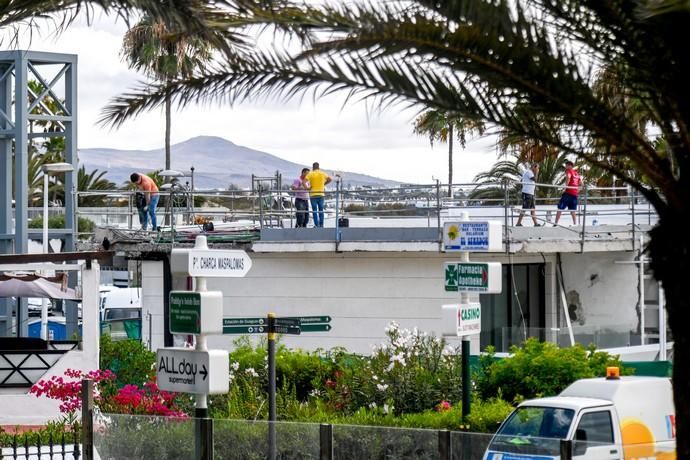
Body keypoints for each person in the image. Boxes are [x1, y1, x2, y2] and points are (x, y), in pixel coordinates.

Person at [553, 160, 582, 226]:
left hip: (568, 193)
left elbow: (568, 178)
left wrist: (566, 186)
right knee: (573, 210)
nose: (565, 166)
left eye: (566, 165)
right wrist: (578, 190)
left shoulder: (569, 171)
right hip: (574, 194)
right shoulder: (577, 174)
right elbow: (581, 184)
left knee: (560, 208)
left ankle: (555, 223)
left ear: (570, 166)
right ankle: (575, 224)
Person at [305, 162, 331, 227]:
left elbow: (303, 182)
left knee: (314, 211)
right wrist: (323, 184)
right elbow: (330, 179)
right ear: (319, 167)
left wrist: (307, 188)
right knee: (321, 210)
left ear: (313, 167)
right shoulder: (322, 173)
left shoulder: (310, 174)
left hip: (313, 195)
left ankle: (317, 225)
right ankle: (321, 225)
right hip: (321, 194)